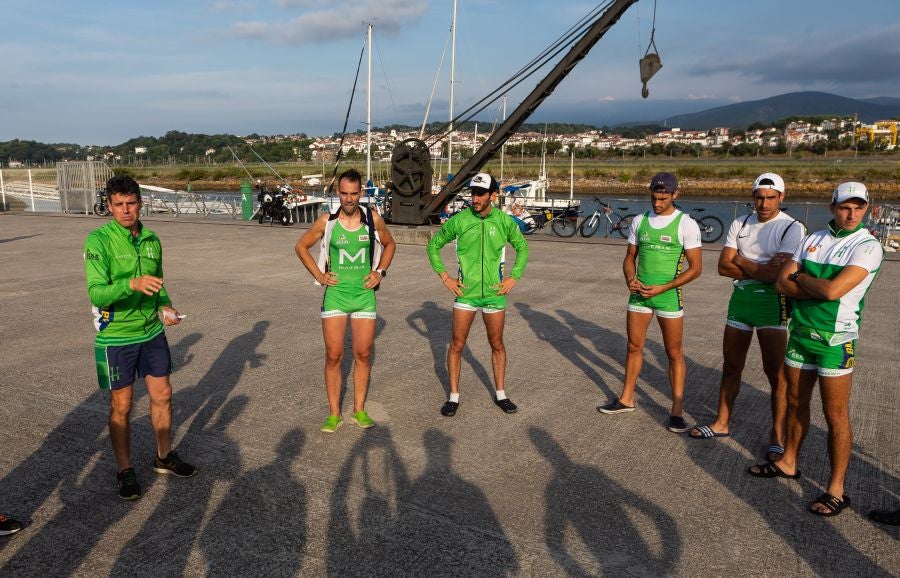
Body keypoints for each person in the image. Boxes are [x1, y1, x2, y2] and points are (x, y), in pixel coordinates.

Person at [749, 182, 884, 518]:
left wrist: (803, 280)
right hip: (800, 334)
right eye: (845, 207)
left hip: (835, 340)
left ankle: (836, 489)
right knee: (795, 401)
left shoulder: (868, 246)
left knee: (835, 414)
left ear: (868, 208)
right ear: (832, 206)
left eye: (859, 207)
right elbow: (782, 282)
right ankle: (789, 462)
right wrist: (810, 284)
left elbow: (832, 291)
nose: (852, 213)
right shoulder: (813, 239)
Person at [84, 175, 197, 501]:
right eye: (118, 204)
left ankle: (164, 456)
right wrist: (130, 285)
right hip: (116, 337)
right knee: (123, 405)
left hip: (151, 332)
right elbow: (96, 292)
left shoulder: (151, 239)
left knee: (163, 394)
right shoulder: (98, 241)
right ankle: (125, 469)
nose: (125, 210)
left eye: (130, 203)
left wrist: (165, 307)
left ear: (140, 203)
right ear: (109, 206)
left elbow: (158, 284)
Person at [689, 173, 805, 463]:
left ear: (782, 197)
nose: (764, 203)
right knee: (731, 366)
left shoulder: (792, 227)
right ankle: (721, 423)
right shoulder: (740, 222)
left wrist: (740, 259)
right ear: (753, 197)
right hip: (740, 301)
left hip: (772, 304)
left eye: (770, 197)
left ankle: (777, 436)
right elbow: (722, 267)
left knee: (775, 373)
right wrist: (756, 265)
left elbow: (776, 275)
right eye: (759, 197)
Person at [598, 172, 702, 433]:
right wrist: (629, 279)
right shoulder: (639, 220)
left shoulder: (686, 224)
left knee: (673, 353)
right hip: (639, 295)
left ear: (675, 195)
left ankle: (676, 411)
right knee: (634, 347)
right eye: (654, 198)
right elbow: (629, 257)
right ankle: (626, 399)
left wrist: (665, 286)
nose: (657, 203)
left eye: (663, 198)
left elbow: (695, 268)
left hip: (668, 297)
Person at [295, 168, 396, 433]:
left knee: (363, 355)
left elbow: (390, 245)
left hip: (364, 296)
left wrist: (379, 272)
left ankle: (359, 411)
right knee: (334, 355)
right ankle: (334, 413)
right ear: (338, 193)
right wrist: (319, 275)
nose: (349, 199)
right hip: (336, 296)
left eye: (354, 194)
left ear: (360, 193)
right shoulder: (327, 222)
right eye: (344, 194)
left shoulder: (372, 220)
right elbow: (301, 246)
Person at [426, 172, 529, 417]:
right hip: (466, 295)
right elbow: (433, 246)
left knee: (497, 344)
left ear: (493, 195)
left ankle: (501, 394)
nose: (475, 198)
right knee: (457, 345)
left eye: (480, 194)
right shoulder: (460, 220)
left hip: (494, 294)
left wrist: (514, 276)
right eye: (473, 193)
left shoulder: (504, 221)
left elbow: (522, 248)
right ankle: (453, 396)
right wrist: (445, 277)